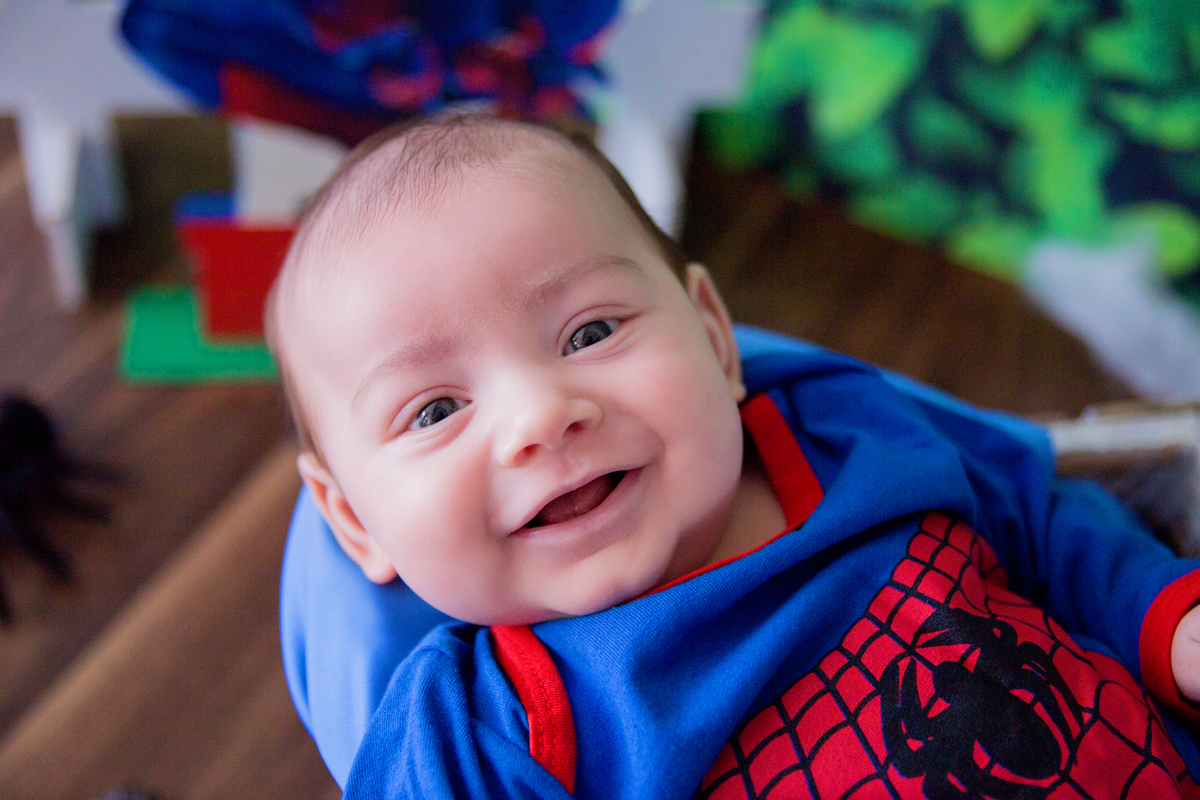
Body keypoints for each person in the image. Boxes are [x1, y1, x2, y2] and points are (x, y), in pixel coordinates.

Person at [267, 111, 1200, 798]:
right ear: (351, 516)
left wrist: (1164, 619)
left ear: (715, 338)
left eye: (590, 331)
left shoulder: (851, 435)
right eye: (433, 409)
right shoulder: (478, 739)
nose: (540, 417)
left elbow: (1041, 518)